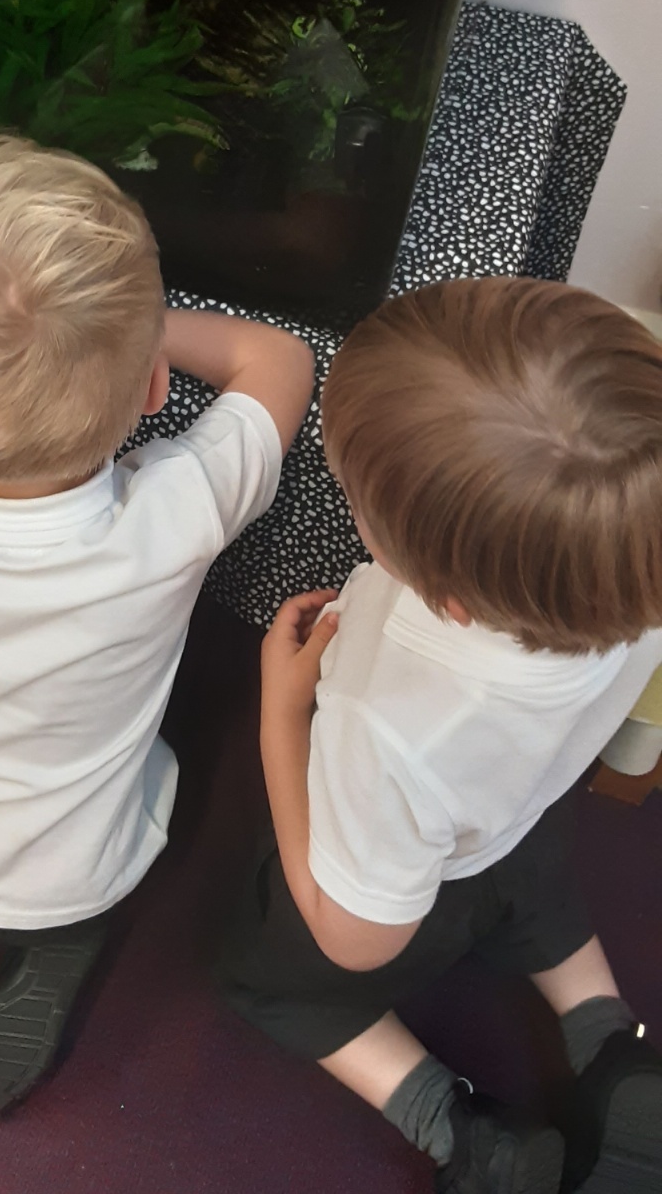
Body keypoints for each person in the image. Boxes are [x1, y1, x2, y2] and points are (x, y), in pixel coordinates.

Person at [0, 134, 314, 1121]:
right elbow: (278, 358)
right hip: (73, 870)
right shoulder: (180, 510)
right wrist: (132, 330)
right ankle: (50, 967)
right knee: (75, 909)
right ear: (155, 392)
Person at [221, 277, 662, 1194]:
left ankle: (459, 1129)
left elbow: (355, 940)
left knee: (271, 980)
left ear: (449, 598)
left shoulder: (388, 725)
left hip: (415, 887)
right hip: (524, 809)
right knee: (533, 890)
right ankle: (613, 1044)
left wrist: (281, 714)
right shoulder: (634, 557)